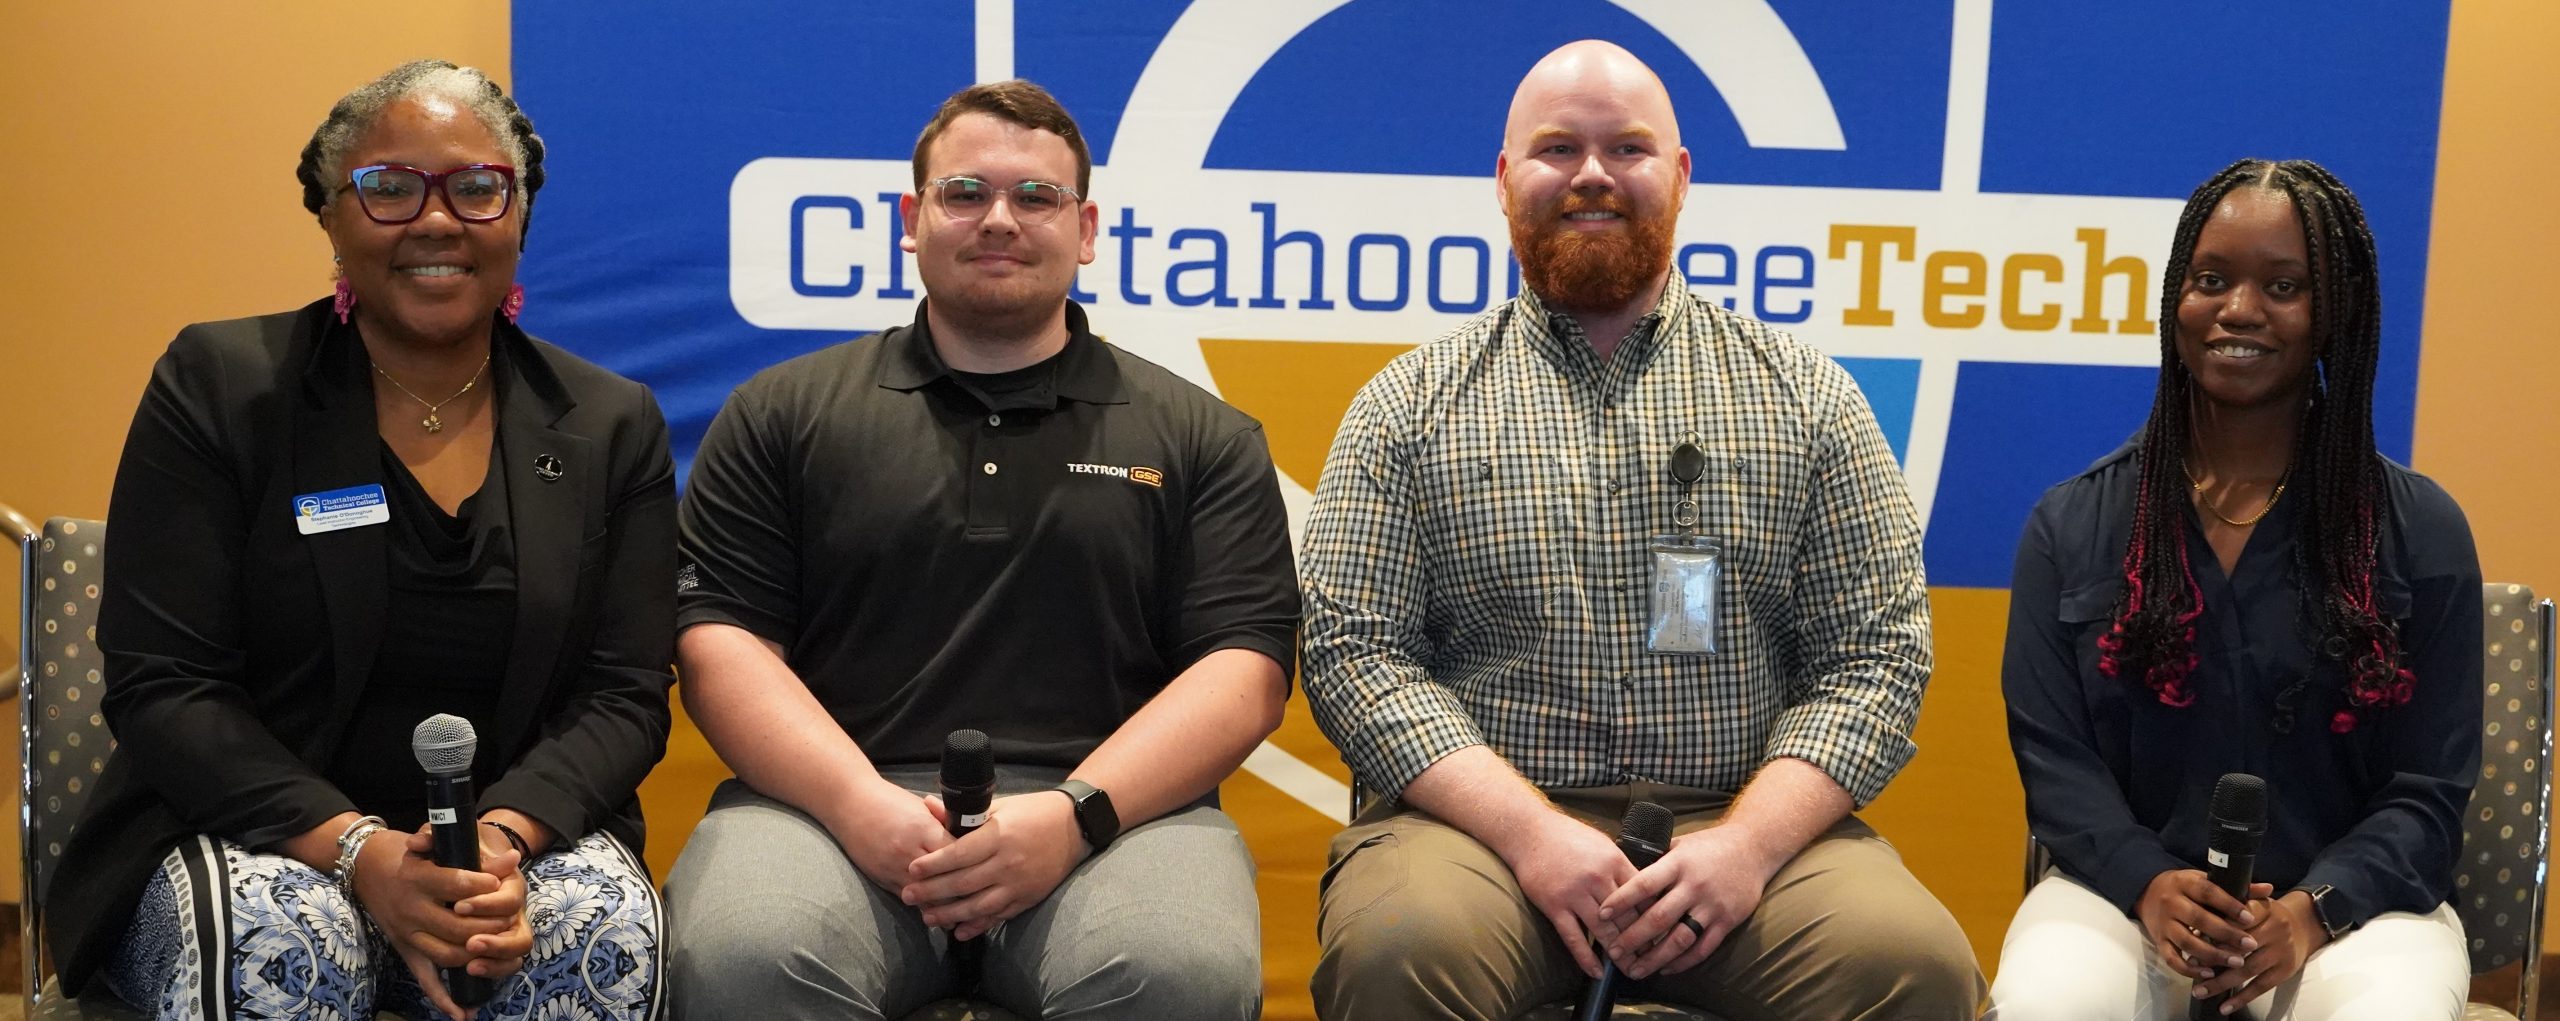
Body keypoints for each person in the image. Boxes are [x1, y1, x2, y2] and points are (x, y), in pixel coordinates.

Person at [1298, 39, 1982, 1020]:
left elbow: (1874, 657)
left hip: (1744, 836)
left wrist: (1743, 849)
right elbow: (1355, 654)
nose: (1590, 174)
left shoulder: (1809, 399)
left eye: (1626, 148)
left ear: (1680, 175)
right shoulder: (1406, 406)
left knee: (1908, 962)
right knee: (1401, 949)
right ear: (1502, 180)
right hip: (1478, 841)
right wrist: (1534, 836)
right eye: (1555, 149)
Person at [662, 79, 1297, 1020]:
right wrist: (858, 806)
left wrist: (1077, 815)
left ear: (1086, 230)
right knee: (744, 954)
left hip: (1116, 815)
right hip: (830, 810)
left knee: (1178, 973)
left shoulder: (1203, 435)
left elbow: (1245, 669)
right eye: (966, 194)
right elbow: (720, 644)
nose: (1000, 218)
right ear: (912, 221)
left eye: (1035, 197)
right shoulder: (781, 414)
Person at [55, 60, 674, 1020]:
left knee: (601, 934)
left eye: (476, 188)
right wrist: (359, 850)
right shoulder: (222, 385)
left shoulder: (609, 421)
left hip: (505, 856)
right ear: (332, 216)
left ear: (519, 217)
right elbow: (164, 684)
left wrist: (496, 845)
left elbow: (623, 695)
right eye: (389, 188)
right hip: (251, 830)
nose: (435, 220)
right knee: (284, 944)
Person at [1987, 158, 2480, 1019]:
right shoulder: (2070, 525)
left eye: (2283, 286)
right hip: (2128, 905)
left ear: (2334, 314)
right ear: (2176, 301)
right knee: (2044, 1002)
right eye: (2211, 279)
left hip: (2349, 917)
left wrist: (2310, 911)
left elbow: (2430, 790)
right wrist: (2148, 883)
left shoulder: (2421, 530)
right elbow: (2056, 765)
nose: (2240, 310)